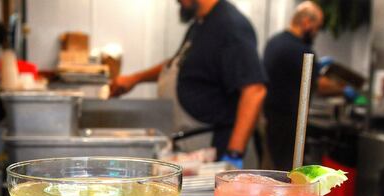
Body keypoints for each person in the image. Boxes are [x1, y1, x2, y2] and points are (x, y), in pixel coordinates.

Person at [110, 0, 267, 168]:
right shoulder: (201, 23)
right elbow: (178, 64)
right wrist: (135, 78)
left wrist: (233, 155)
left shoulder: (230, 26)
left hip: (220, 151)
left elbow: (254, 90)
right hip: (198, 149)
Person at [263, 1, 345, 170]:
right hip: (290, 125)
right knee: (288, 174)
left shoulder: (274, 42)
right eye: (317, 27)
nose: (316, 33)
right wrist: (344, 89)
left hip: (271, 120)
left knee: (275, 170)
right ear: (306, 22)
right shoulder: (301, 50)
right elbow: (320, 86)